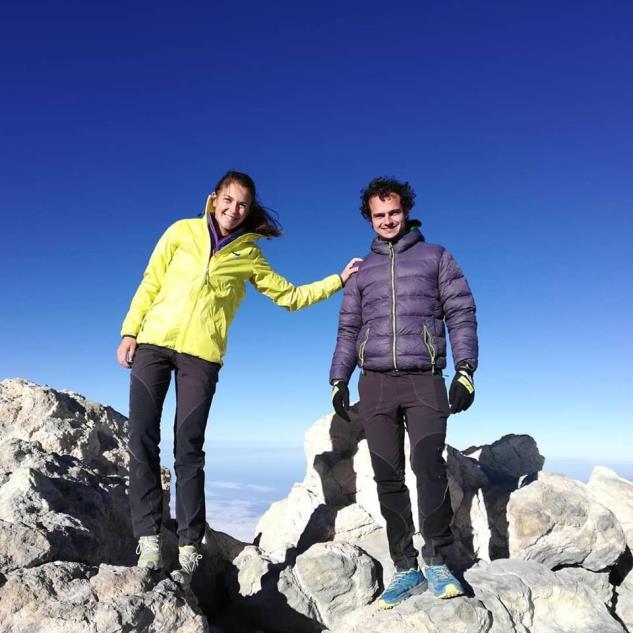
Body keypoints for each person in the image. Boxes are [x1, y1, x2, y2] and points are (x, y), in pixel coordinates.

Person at [117, 170, 360, 585]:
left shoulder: (248, 254)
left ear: (249, 210)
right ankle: (150, 538)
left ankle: (191, 542)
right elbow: (151, 282)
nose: (234, 210)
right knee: (142, 437)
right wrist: (129, 331)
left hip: (202, 355)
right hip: (154, 344)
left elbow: (288, 296)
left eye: (242, 205)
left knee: (188, 446)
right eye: (228, 200)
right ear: (214, 199)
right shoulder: (180, 232)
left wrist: (336, 281)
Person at [329, 176, 478, 608]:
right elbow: (347, 329)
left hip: (423, 379)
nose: (388, 220)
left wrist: (465, 369)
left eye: (394, 212)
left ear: (406, 210)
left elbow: (461, 311)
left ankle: (436, 561)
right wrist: (338, 377)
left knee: (428, 468)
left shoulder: (436, 257)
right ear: (369, 218)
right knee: (387, 477)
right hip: (374, 384)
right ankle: (405, 568)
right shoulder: (362, 272)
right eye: (380, 215)